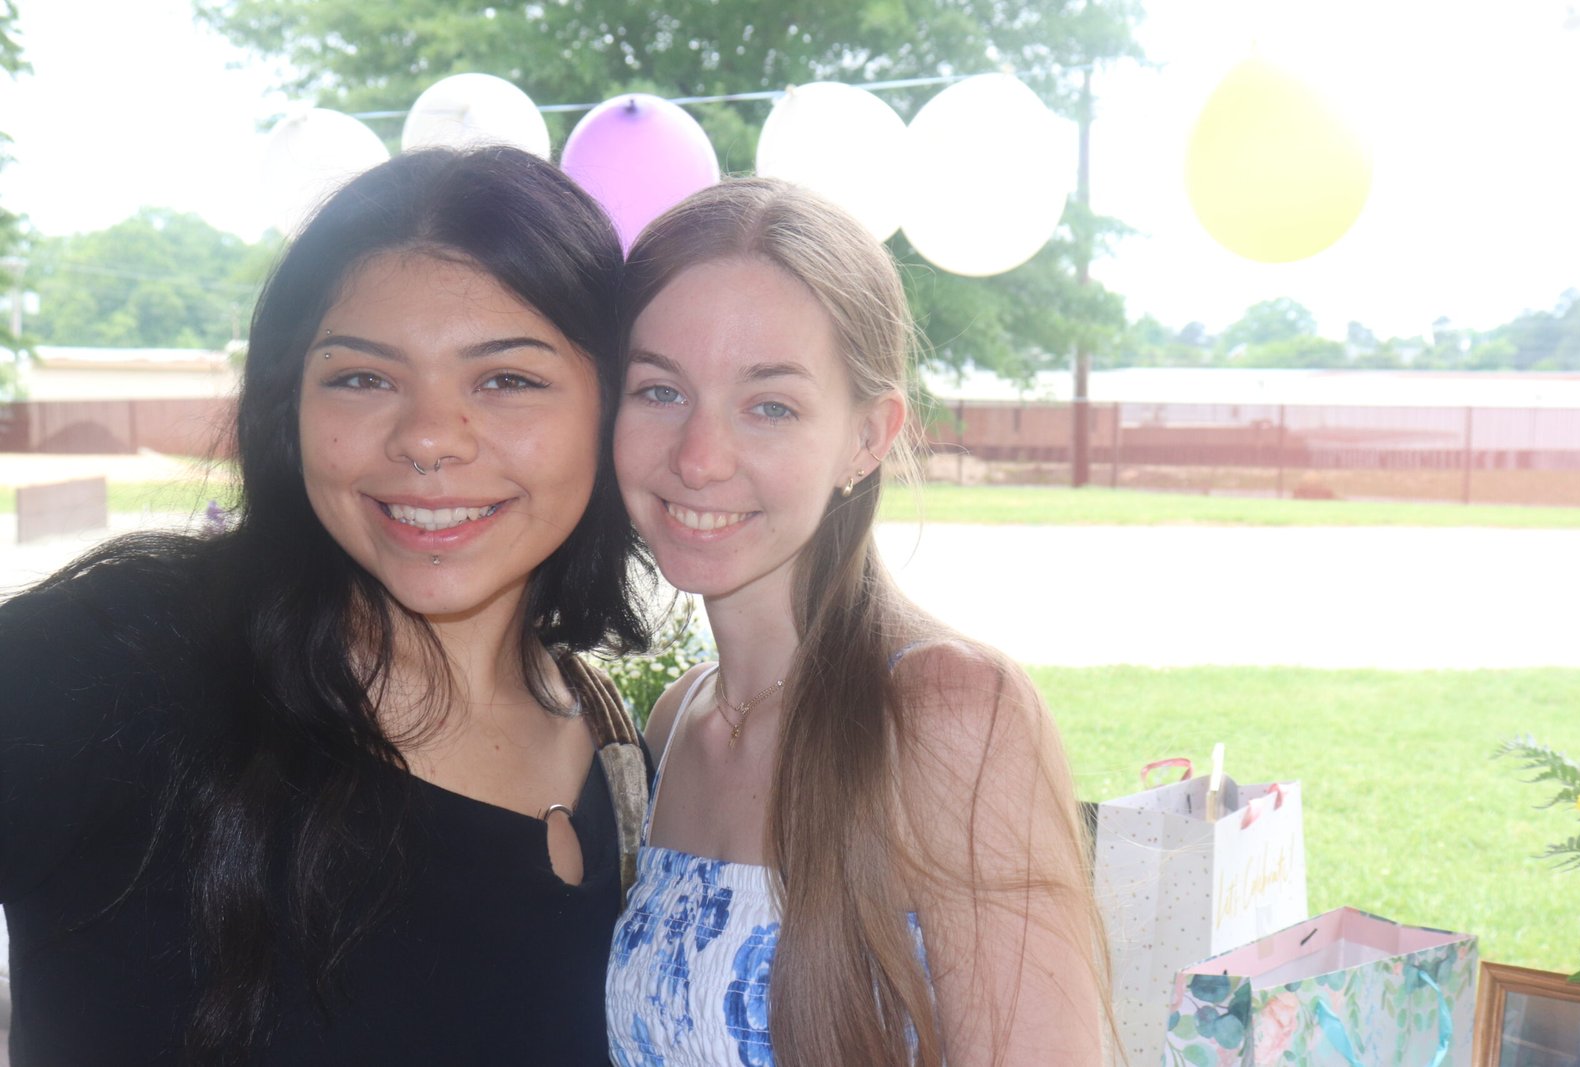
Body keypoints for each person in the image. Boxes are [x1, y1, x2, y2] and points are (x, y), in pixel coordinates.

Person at [0, 146, 652, 1064]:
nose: (428, 438)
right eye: (363, 377)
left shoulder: (623, 758)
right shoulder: (123, 664)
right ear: (291, 406)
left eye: (507, 379)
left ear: (613, 411)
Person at [605, 179, 1110, 1066]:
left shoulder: (946, 711)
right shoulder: (677, 721)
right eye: (659, 390)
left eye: (770, 405)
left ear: (868, 436)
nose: (699, 457)